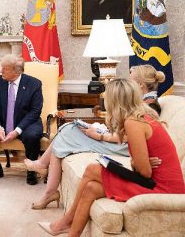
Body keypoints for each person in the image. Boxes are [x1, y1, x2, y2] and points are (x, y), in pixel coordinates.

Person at [38, 79, 185, 236]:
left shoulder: (133, 122)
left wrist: (136, 162)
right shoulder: (140, 118)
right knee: (91, 188)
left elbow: (145, 172)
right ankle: (70, 230)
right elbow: (144, 167)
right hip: (158, 183)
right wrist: (140, 162)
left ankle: (65, 222)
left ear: (115, 102)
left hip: (163, 189)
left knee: (92, 170)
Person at [24, 64, 165, 210]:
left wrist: (100, 136)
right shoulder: (141, 103)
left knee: (67, 132)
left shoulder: (150, 107)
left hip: (122, 147)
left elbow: (129, 138)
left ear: (140, 85)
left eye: (130, 80)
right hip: (118, 141)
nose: (127, 84)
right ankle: (48, 185)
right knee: (67, 130)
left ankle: (45, 176)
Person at [0, 54, 43, 184]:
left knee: (32, 136)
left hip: (26, 123)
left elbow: (35, 111)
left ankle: (31, 170)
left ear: (16, 71)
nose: (1, 71)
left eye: (4, 69)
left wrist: (17, 131)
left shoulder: (34, 84)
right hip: (1, 122)